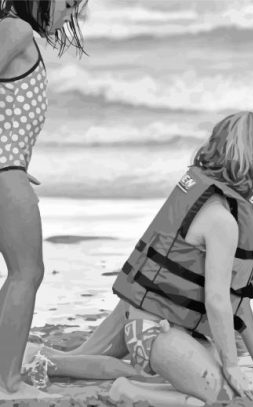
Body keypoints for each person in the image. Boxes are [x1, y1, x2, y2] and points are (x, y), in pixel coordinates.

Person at [22, 156, 253, 401]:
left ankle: (30, 356)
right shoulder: (243, 225)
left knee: (142, 368)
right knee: (85, 358)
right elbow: (236, 303)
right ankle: (24, 357)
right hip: (154, 298)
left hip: (186, 316)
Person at [0, 0, 86, 395]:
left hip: (9, 168)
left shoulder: (17, 32)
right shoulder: (15, 30)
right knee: (27, 273)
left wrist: (12, 156)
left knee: (21, 274)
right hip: (4, 173)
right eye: (68, 4)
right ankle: (8, 382)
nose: (72, 14)